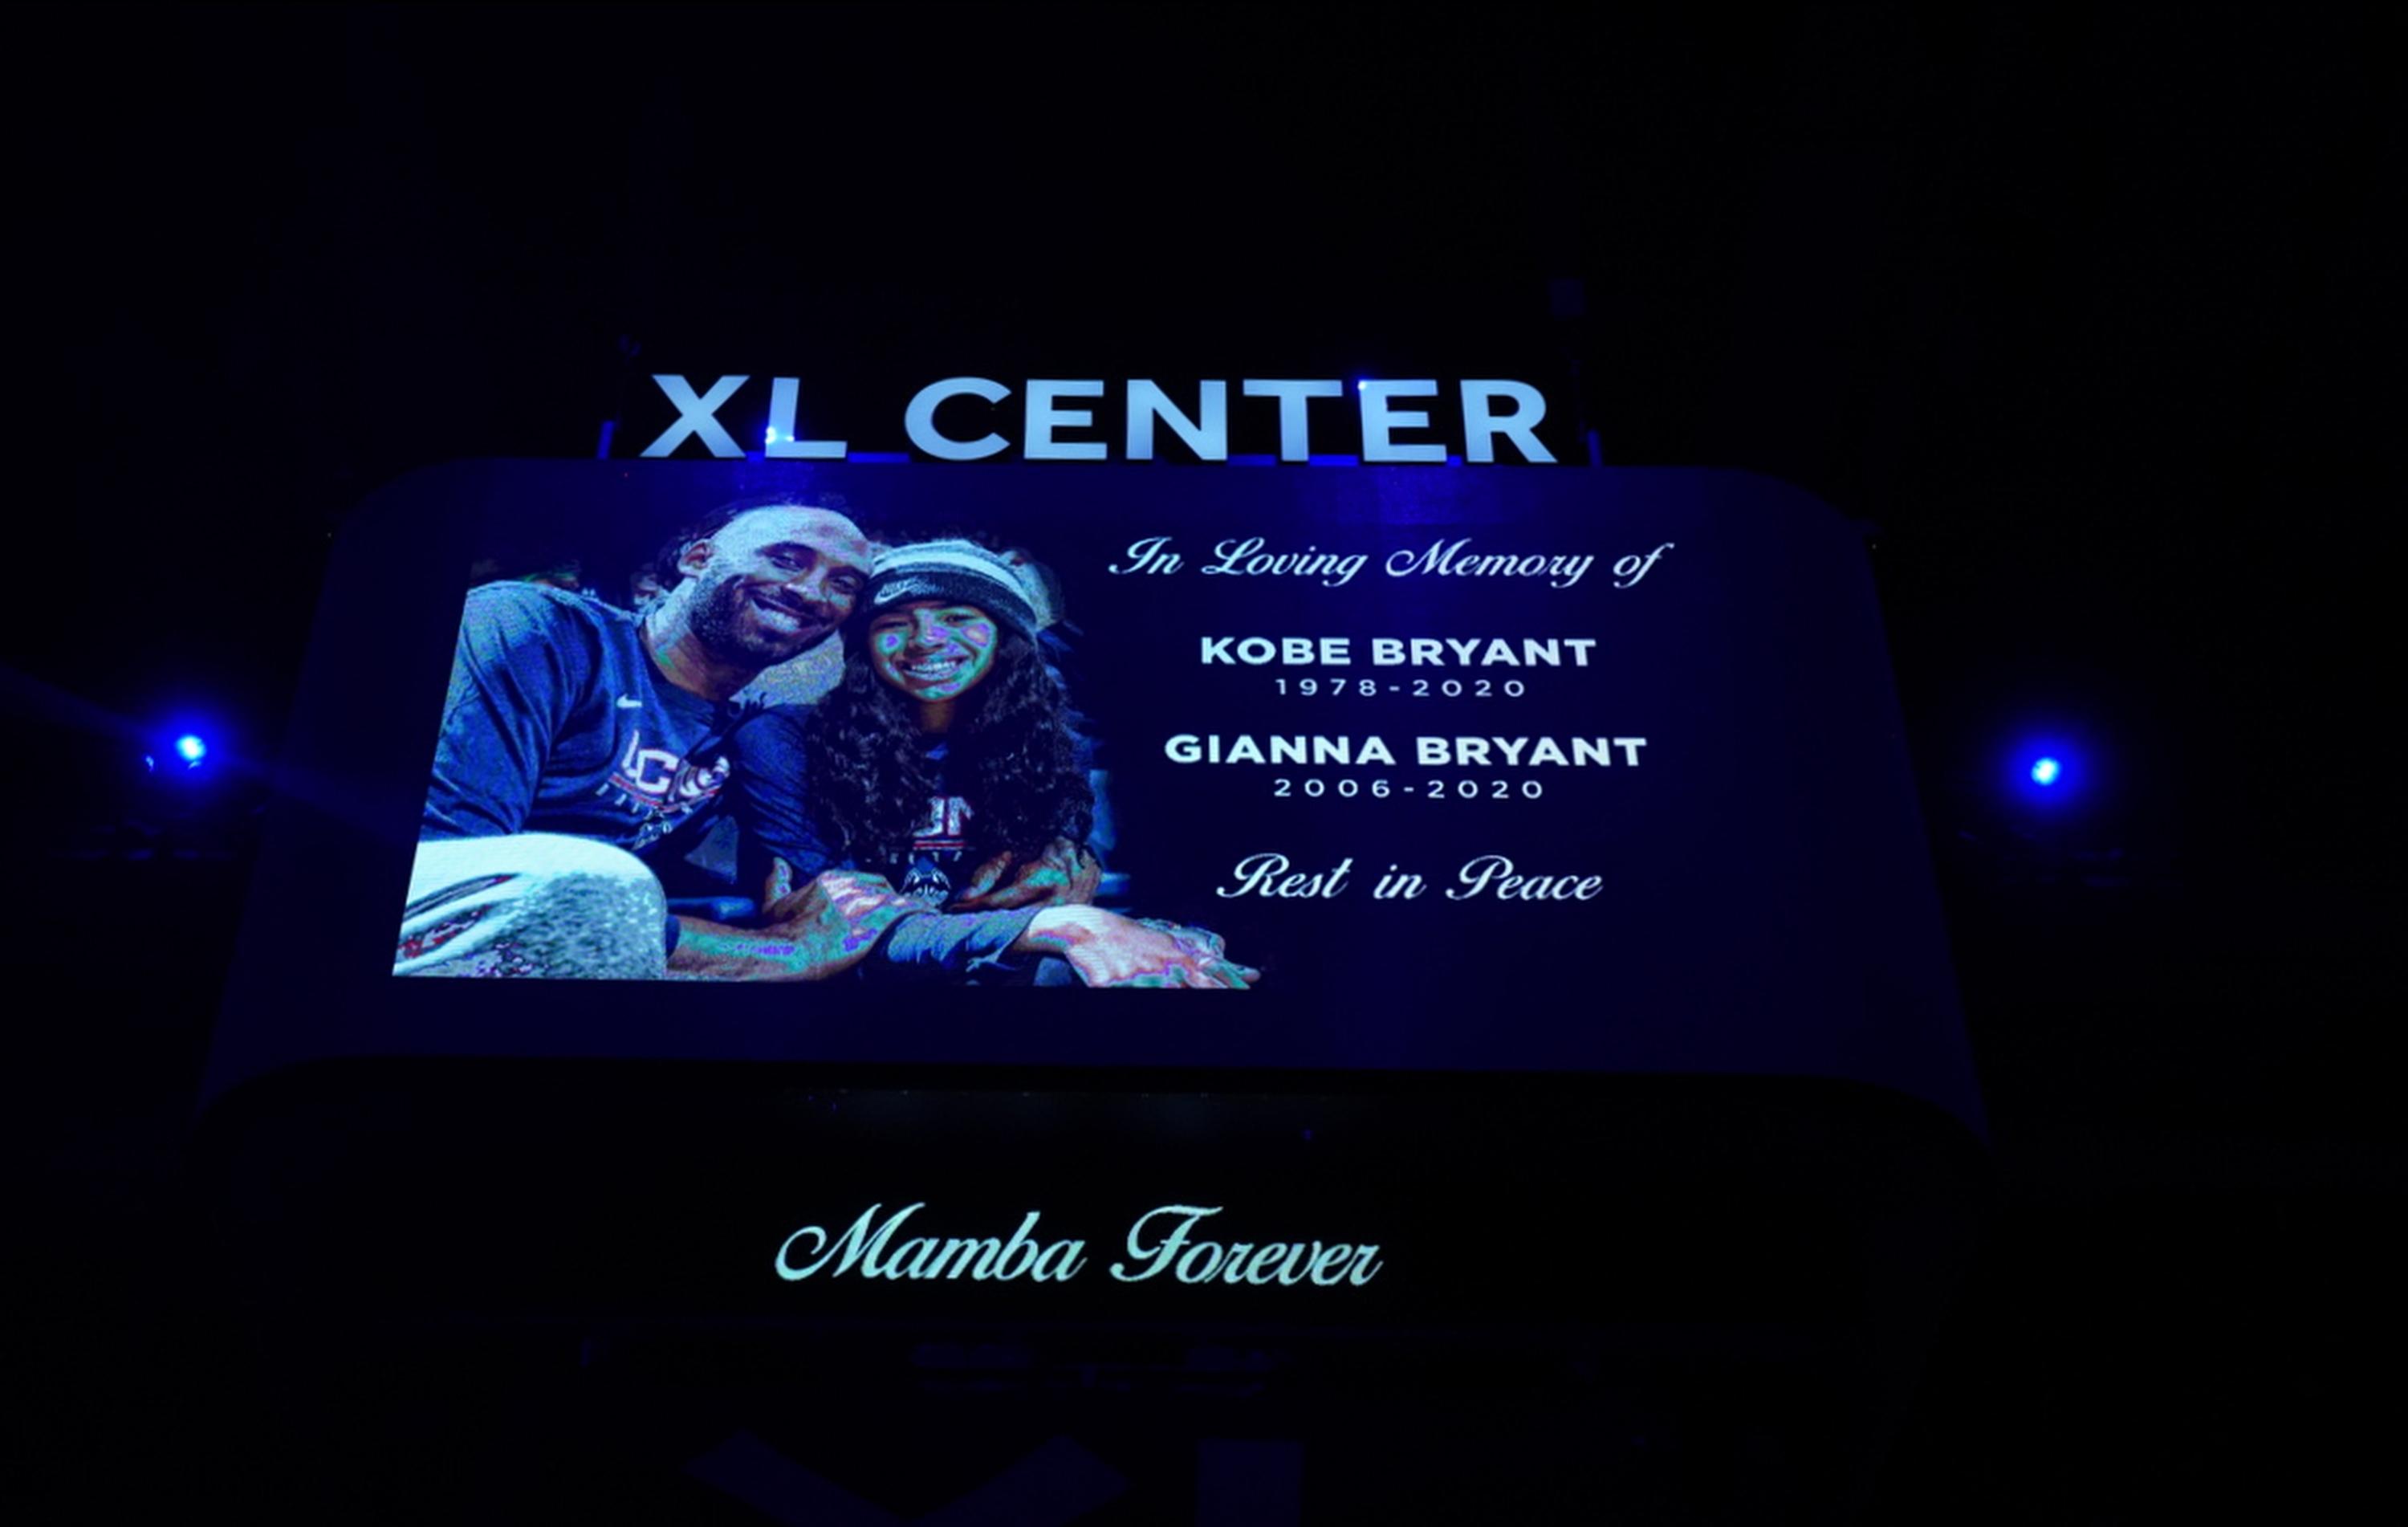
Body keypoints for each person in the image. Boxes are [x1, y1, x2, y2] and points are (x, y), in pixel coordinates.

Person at [399, 499, 927, 979]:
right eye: (787, 559)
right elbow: (451, 871)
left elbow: (815, 886)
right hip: (433, 948)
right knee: (601, 879)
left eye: (844, 585)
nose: (812, 592)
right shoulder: (537, 630)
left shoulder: (745, 730)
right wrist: (785, 952)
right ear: (697, 559)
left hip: (585, 961)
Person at [732, 539, 1256, 988]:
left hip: (1003, 993)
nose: (926, 639)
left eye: (958, 617)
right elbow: (829, 932)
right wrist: (1065, 927)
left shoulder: (1051, 744)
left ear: (1006, 638)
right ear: (863, 644)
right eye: (893, 622)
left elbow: (1044, 895)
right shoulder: (782, 738)